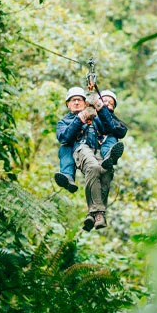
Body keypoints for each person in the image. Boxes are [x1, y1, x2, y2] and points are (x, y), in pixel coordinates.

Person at [55, 87, 125, 230]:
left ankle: (94, 215)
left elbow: (109, 127)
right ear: (67, 104)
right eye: (72, 100)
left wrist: (100, 107)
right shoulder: (63, 122)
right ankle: (98, 212)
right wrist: (80, 119)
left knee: (105, 172)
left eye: (79, 100)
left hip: (97, 150)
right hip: (80, 148)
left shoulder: (94, 117)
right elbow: (64, 137)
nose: (76, 102)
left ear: (85, 102)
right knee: (92, 167)